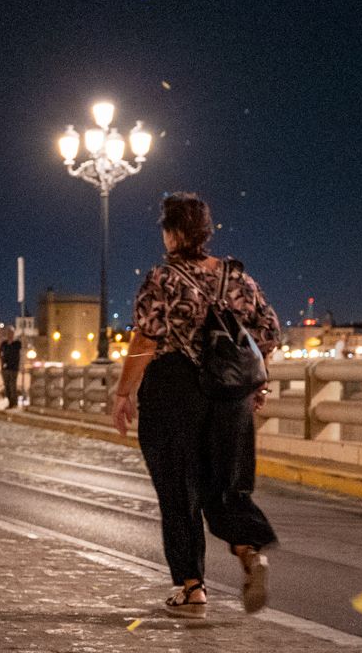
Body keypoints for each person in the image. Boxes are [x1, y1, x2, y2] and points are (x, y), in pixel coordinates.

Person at [112, 192, 281, 619]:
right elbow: (269, 332)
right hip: (229, 398)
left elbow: (146, 338)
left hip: (174, 390)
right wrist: (248, 385)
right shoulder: (238, 279)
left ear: (172, 233)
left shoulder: (163, 278)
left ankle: (191, 588)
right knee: (226, 482)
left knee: (178, 487)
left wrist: (123, 392)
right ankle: (248, 550)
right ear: (205, 232)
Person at [0, 327, 24, 408]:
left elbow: (21, 353)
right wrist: (2, 361)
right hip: (5, 368)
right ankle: (10, 402)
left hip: (14, 368)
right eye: (9, 333)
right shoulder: (4, 343)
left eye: (11, 333)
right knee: (7, 386)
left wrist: (20, 365)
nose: (10, 335)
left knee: (13, 386)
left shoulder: (17, 343)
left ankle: (14, 402)